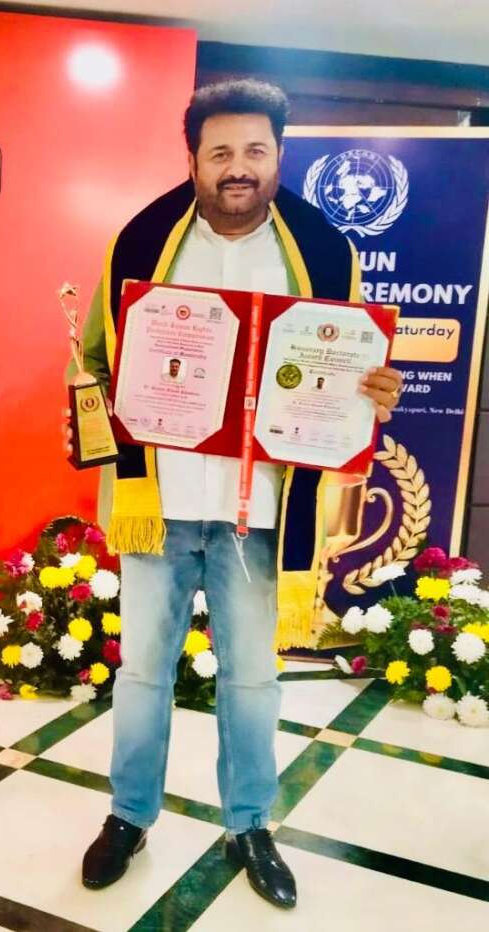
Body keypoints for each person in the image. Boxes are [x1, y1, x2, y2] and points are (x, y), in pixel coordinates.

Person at [63, 79, 402, 910]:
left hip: (262, 511)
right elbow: (95, 360)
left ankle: (250, 824)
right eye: (220, 152)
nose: (238, 167)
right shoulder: (141, 242)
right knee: (143, 672)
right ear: (193, 160)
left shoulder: (322, 252)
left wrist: (374, 391)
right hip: (160, 503)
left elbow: (350, 368)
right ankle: (129, 816)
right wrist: (89, 406)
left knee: (252, 680)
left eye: (255, 150)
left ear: (279, 156)